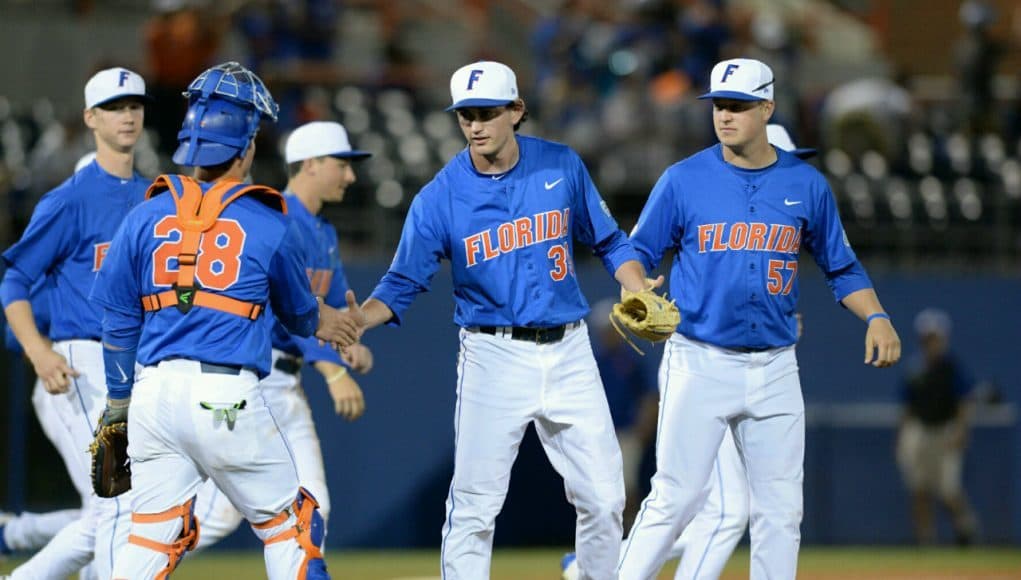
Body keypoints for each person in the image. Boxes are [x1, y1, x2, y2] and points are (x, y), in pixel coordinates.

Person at [345, 60, 658, 579]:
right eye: (465, 114)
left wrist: (634, 281)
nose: (474, 124)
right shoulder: (440, 198)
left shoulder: (560, 165)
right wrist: (362, 318)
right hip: (493, 354)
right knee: (474, 505)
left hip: (570, 350)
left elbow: (608, 239)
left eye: (487, 112)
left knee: (605, 499)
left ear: (516, 110)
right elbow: (401, 283)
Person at [616, 58, 902, 579]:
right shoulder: (683, 180)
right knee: (674, 499)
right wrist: (636, 285)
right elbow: (634, 251)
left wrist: (876, 316)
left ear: (767, 108)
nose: (725, 116)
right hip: (699, 359)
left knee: (780, 511)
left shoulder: (806, 184)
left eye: (739, 106)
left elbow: (841, 265)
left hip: (775, 367)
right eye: (719, 106)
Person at [88, 61, 358, 579]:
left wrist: (118, 405)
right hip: (224, 396)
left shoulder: (145, 214)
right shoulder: (266, 218)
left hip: (151, 395)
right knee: (293, 525)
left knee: (150, 537)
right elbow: (301, 315)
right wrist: (329, 322)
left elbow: (118, 321)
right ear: (247, 146)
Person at [563, 124, 817, 580]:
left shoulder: (779, 210)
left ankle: (594, 566)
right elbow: (643, 251)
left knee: (725, 510)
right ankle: (599, 569)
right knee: (707, 506)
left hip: (739, 372)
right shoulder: (712, 191)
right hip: (704, 367)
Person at [186, 120, 377, 550]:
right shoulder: (276, 218)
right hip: (256, 376)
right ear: (311, 164)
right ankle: (119, 559)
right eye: (342, 164)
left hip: (287, 383)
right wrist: (331, 371)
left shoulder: (323, 232)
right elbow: (287, 310)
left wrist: (350, 344)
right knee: (215, 516)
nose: (350, 176)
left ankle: (122, 553)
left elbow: (333, 312)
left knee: (314, 507)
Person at [0, 66, 153, 580]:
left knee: (125, 507)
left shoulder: (156, 198)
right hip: (80, 363)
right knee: (117, 504)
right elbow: (14, 282)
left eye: (133, 105)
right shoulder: (68, 199)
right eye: (113, 107)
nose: (126, 115)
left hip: (138, 367)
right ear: (90, 118)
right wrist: (38, 352)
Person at [896, 308, 979, 546]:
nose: (931, 343)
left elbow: (965, 401)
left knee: (948, 489)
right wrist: (902, 436)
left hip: (945, 429)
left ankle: (966, 529)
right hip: (920, 430)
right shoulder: (916, 368)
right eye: (927, 338)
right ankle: (925, 539)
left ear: (943, 339)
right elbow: (907, 407)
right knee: (919, 489)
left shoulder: (952, 367)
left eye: (935, 338)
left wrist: (962, 430)